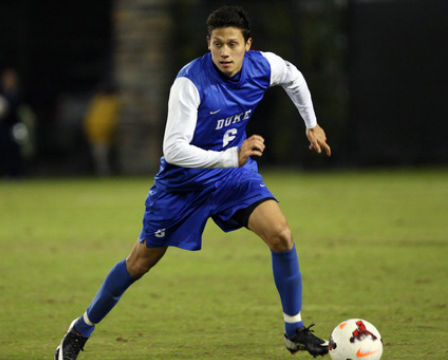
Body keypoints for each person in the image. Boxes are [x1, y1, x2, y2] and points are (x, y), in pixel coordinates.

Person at [55, 6, 332, 360]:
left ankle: (294, 331)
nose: (225, 52)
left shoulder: (264, 65)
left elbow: (293, 76)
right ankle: (80, 329)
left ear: (248, 44)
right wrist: (232, 156)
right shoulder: (190, 82)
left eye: (232, 44)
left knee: (281, 235)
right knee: (140, 261)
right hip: (182, 185)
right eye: (217, 44)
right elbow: (173, 150)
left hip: (233, 176)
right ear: (208, 43)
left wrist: (311, 123)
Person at [83, 82, 120, 176]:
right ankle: (104, 173)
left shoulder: (99, 100)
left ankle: (105, 172)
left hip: (99, 130)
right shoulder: (110, 101)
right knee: (101, 156)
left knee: (101, 155)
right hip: (100, 131)